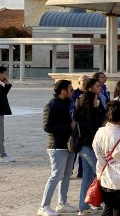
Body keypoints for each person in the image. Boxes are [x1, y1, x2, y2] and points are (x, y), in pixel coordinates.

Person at [38, 80, 78, 216]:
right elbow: (47, 126)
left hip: (69, 145)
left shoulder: (67, 103)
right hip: (57, 146)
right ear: (63, 91)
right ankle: (44, 206)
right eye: (71, 90)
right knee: (56, 175)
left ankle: (62, 203)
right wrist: (69, 127)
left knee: (66, 175)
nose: (73, 92)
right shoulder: (52, 105)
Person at [74, 79, 106, 215]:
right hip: (86, 147)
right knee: (102, 173)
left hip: (87, 147)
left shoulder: (91, 112)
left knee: (87, 177)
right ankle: (106, 202)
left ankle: (83, 207)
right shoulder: (86, 115)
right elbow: (96, 130)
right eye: (96, 99)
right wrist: (99, 110)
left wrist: (99, 107)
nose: (97, 101)